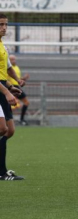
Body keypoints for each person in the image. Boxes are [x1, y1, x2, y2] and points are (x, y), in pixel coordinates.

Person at [0, 13, 25, 181]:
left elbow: (5, 70)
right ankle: (1, 172)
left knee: (10, 131)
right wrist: (7, 91)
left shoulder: (2, 45)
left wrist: (13, 84)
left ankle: (2, 170)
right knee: (2, 129)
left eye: (6, 24)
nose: (4, 28)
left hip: (2, 87)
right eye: (1, 24)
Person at [8, 55, 30, 125]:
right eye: (12, 59)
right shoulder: (8, 68)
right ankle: (7, 120)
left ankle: (21, 119)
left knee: (26, 102)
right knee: (10, 104)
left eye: (14, 59)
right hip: (10, 87)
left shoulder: (16, 67)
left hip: (17, 86)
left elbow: (17, 78)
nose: (14, 61)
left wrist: (23, 78)